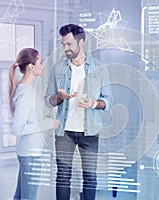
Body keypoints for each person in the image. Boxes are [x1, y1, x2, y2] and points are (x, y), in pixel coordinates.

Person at [44, 24, 114, 200]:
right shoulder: (58, 68)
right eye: (63, 44)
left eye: (69, 44)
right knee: (63, 177)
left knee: (90, 177)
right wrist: (59, 97)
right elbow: (48, 100)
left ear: (81, 42)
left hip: (89, 132)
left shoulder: (99, 68)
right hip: (64, 133)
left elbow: (109, 101)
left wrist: (93, 103)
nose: (65, 48)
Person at [9, 48, 60, 200]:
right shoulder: (25, 93)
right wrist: (48, 123)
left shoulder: (27, 89)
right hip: (30, 154)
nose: (43, 65)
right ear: (31, 66)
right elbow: (18, 128)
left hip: (29, 152)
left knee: (20, 197)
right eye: (40, 62)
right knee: (28, 197)